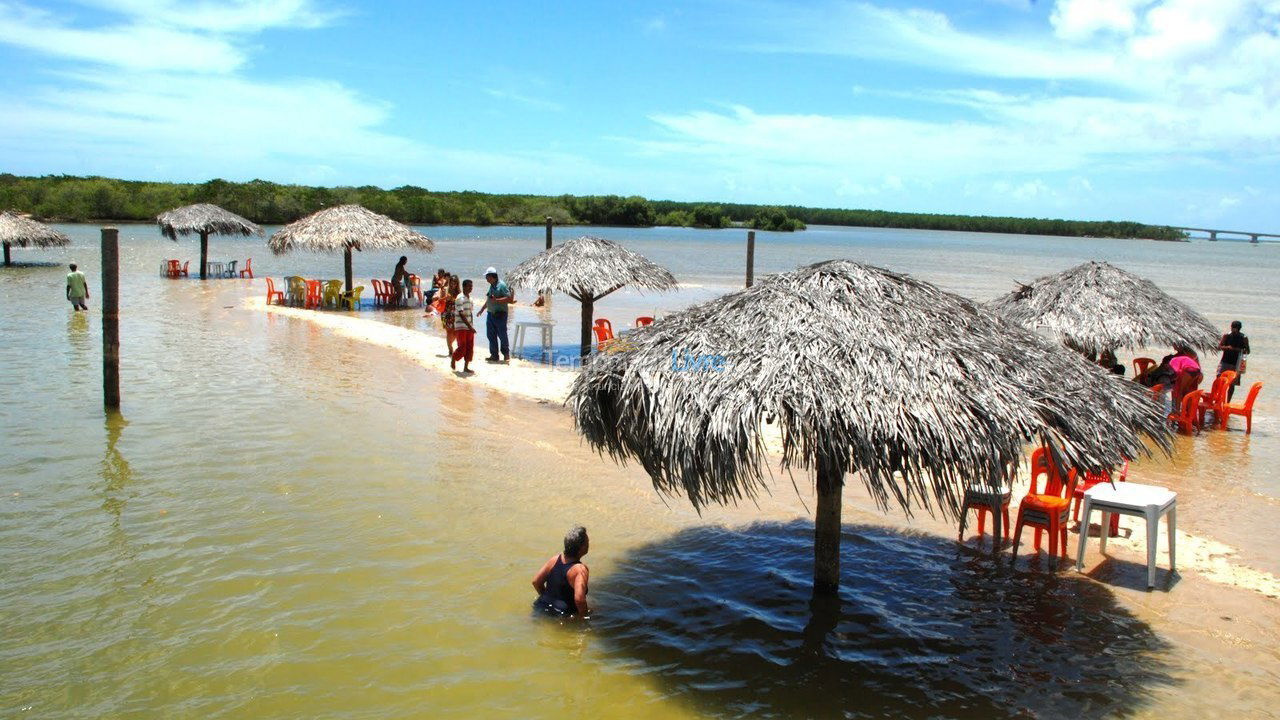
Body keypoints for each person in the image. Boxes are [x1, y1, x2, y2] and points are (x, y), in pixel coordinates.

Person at [532, 526, 590, 617]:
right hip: (561, 615)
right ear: (581, 548)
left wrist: (547, 598)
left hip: (541, 606)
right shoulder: (580, 570)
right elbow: (580, 599)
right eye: (587, 542)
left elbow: (536, 582)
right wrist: (584, 619)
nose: (588, 544)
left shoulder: (555, 559)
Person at [476, 266, 514, 362]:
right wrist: (482, 310)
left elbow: (509, 298)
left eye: (487, 276)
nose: (486, 278)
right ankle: (494, 355)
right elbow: (489, 299)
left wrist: (497, 300)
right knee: (490, 335)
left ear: (492, 276)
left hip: (500, 314)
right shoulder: (491, 285)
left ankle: (506, 354)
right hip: (490, 314)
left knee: (502, 335)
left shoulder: (502, 285)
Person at [1218, 321, 1251, 401]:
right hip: (1225, 361)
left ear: (1239, 329)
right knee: (1219, 379)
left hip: (1236, 364)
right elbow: (1219, 346)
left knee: (1232, 385)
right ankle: (1219, 399)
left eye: (1235, 329)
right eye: (1232, 328)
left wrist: (1237, 349)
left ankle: (1228, 402)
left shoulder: (1244, 338)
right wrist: (1227, 348)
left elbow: (1248, 351)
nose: (1233, 330)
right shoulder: (1227, 336)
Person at [451, 279, 476, 372]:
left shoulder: (470, 299)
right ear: (464, 287)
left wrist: (471, 325)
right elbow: (461, 314)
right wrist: (470, 327)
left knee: (470, 347)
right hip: (460, 326)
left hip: (469, 326)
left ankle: (466, 367)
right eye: (469, 286)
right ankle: (454, 358)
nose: (471, 288)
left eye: (471, 286)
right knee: (462, 347)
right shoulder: (459, 298)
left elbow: (470, 313)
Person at [438, 274, 461, 359]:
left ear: (457, 283)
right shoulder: (445, 290)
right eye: (452, 282)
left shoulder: (459, 292)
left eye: (455, 283)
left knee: (455, 332)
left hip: (456, 314)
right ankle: (450, 349)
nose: (453, 284)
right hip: (446, 313)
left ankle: (450, 345)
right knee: (449, 332)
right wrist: (445, 298)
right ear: (449, 282)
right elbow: (439, 300)